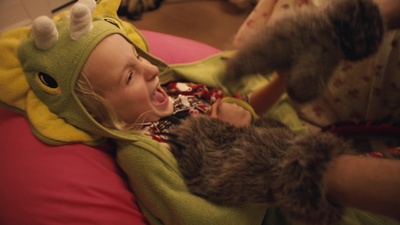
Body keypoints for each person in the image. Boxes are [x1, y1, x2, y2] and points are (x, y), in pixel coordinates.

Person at [11, 0, 400, 224]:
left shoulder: (176, 90)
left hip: (299, 158)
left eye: (137, 58)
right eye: (130, 76)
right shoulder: (145, 152)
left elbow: (238, 108)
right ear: (97, 112)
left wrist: (278, 83)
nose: (152, 69)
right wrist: (238, 142)